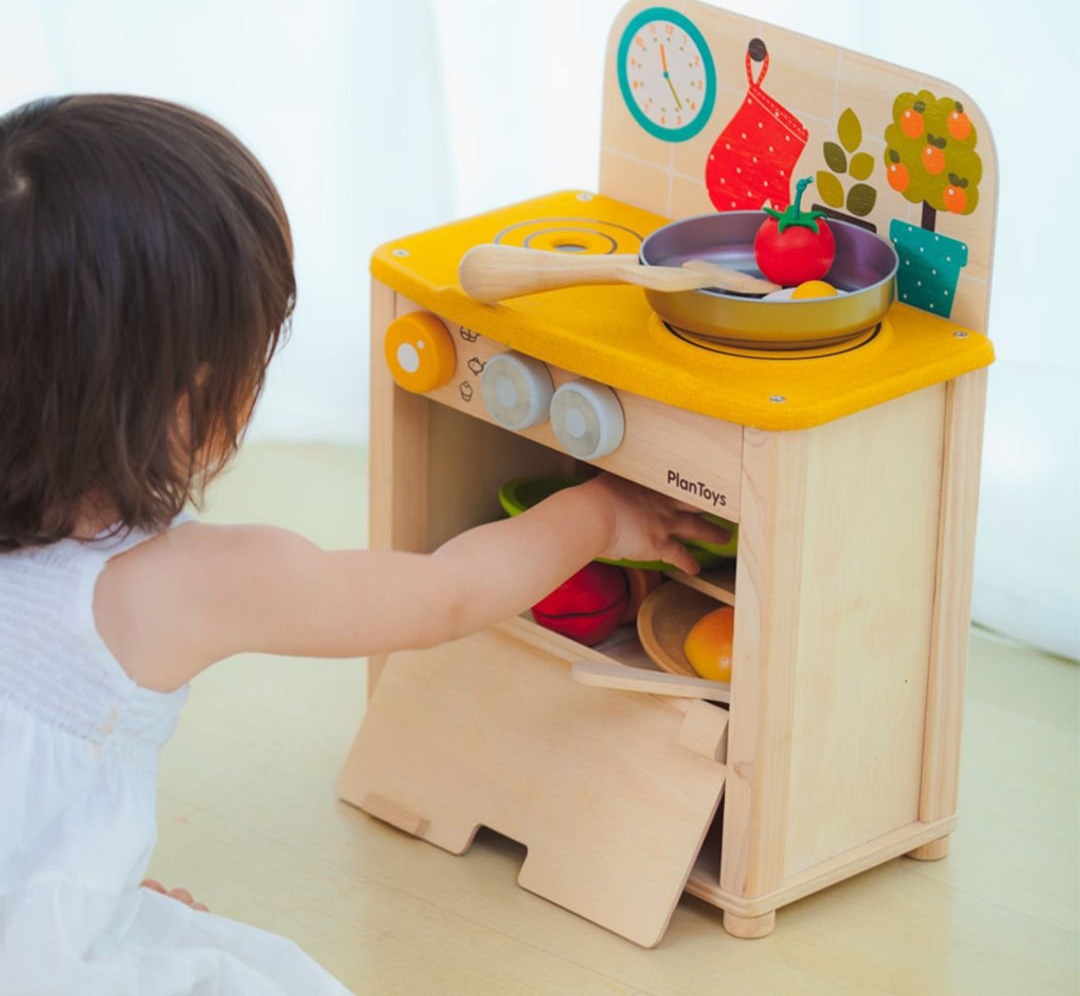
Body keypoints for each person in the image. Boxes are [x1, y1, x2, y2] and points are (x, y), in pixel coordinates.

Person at [0, 94, 728, 995]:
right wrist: (602, 514)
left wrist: (58, 876)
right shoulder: (180, 584)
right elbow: (444, 594)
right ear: (186, 397)